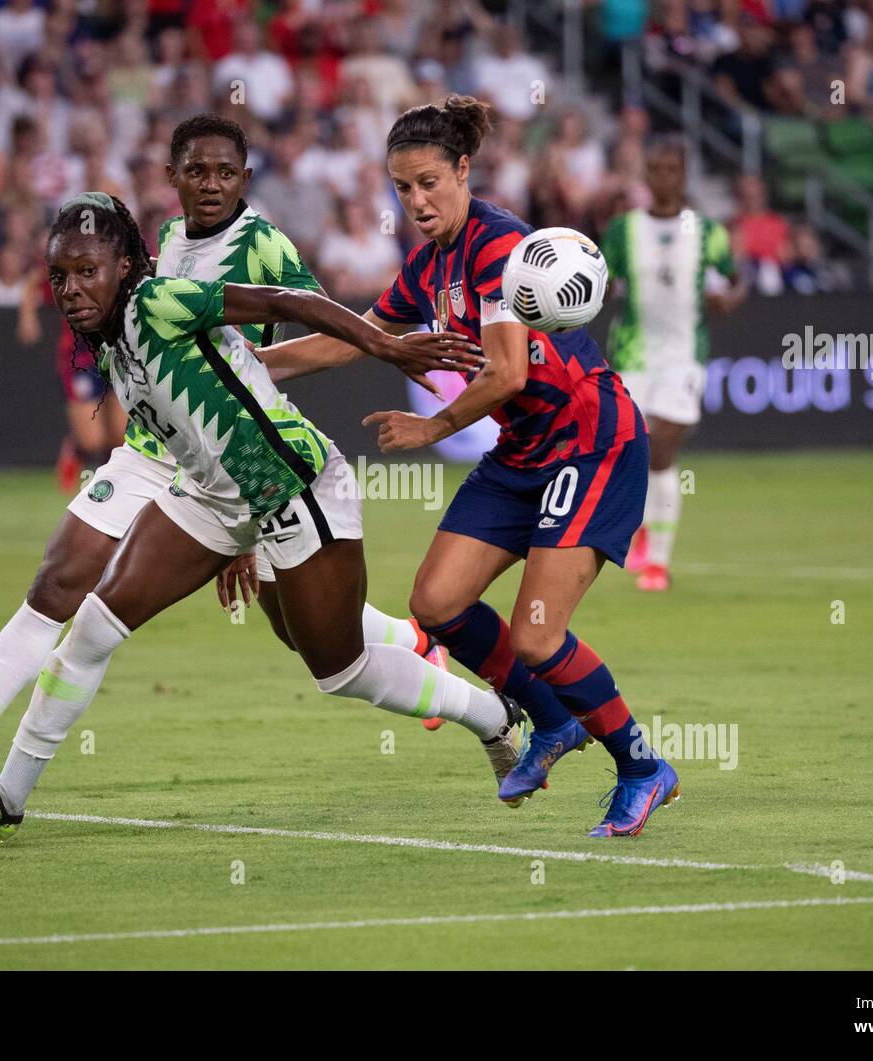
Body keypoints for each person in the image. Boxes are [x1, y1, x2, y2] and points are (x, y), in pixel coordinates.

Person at [0, 115, 461, 801]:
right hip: (156, 452)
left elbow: (311, 324)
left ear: (244, 178)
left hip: (240, 458)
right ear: (172, 177)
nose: (209, 184)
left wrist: (245, 438)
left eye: (223, 172)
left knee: (300, 624)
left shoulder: (265, 244)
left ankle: (413, 645)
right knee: (60, 583)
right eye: (196, 171)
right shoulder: (161, 242)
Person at [257, 96, 680, 838]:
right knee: (436, 602)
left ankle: (642, 765)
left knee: (540, 635)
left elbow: (509, 371)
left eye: (428, 182)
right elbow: (355, 338)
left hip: (590, 438)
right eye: (401, 188)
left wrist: (434, 426)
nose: (415, 201)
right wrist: (251, 367)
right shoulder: (428, 267)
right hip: (524, 451)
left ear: (462, 169)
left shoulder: (500, 248)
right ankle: (552, 721)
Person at [606, 137, 747, 591]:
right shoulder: (622, 230)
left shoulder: (708, 232)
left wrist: (728, 300)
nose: (663, 177)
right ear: (645, 175)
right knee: (633, 449)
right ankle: (643, 529)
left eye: (671, 169)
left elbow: (736, 280)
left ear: (683, 175)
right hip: (632, 352)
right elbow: (600, 284)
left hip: (684, 355)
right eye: (655, 169)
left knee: (663, 447)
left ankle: (658, 564)